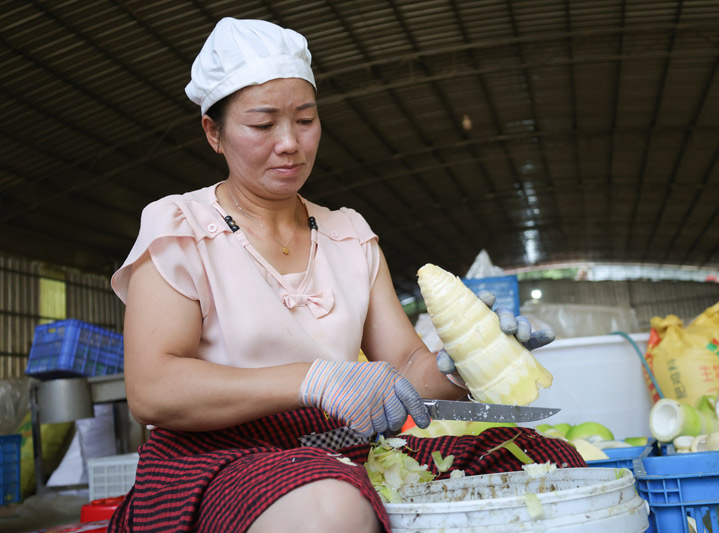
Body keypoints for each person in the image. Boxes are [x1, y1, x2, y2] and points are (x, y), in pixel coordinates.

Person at [108, 17, 584, 533]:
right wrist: (312, 379)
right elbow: (152, 389)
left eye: (305, 120)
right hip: (217, 457)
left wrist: (468, 365)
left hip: (338, 448)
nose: (289, 143)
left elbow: (406, 365)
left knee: (545, 459)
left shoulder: (348, 234)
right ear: (213, 133)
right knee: (330, 508)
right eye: (263, 125)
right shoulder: (180, 226)